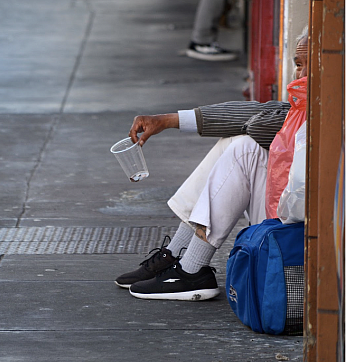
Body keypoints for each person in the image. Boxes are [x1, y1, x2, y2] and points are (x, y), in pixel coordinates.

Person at [115, 27, 309, 301]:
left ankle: (190, 269)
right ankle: (179, 258)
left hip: (304, 238)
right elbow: (264, 113)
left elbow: (262, 121)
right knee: (234, 144)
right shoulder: (302, 108)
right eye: (298, 65)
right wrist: (168, 121)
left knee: (244, 147)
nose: (300, 76)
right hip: (289, 223)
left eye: (310, 66)